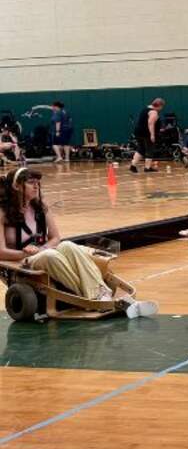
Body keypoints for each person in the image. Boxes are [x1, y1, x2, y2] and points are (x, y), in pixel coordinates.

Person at [0, 168, 158, 317]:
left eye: (38, 183)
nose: (36, 186)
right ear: (16, 186)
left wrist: (43, 248)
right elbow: (1, 252)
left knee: (67, 245)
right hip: (22, 261)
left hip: (43, 251)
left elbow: (55, 238)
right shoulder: (3, 213)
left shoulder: (41, 207)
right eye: (31, 183)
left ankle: (102, 294)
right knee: (50, 256)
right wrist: (25, 253)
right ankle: (99, 298)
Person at [130, 97, 165, 173]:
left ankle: (133, 166)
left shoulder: (146, 108)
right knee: (150, 149)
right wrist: (152, 135)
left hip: (139, 132)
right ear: (160, 105)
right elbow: (150, 123)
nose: (161, 109)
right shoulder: (153, 112)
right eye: (162, 107)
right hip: (146, 134)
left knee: (141, 149)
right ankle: (147, 168)